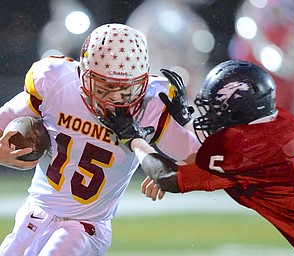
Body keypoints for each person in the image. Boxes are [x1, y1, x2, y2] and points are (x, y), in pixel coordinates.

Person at [0, 23, 200, 256]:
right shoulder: (57, 83)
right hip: (35, 212)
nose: (115, 98)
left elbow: (204, 159)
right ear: (84, 75)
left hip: (86, 228)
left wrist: (173, 171)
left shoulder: (151, 104)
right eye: (105, 86)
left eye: (125, 89)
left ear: (143, 82)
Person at [104, 60, 294, 256]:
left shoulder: (244, 147)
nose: (210, 117)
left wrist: (133, 139)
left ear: (241, 109)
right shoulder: (283, 122)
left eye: (217, 110)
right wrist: (185, 122)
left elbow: (168, 177)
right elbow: (215, 159)